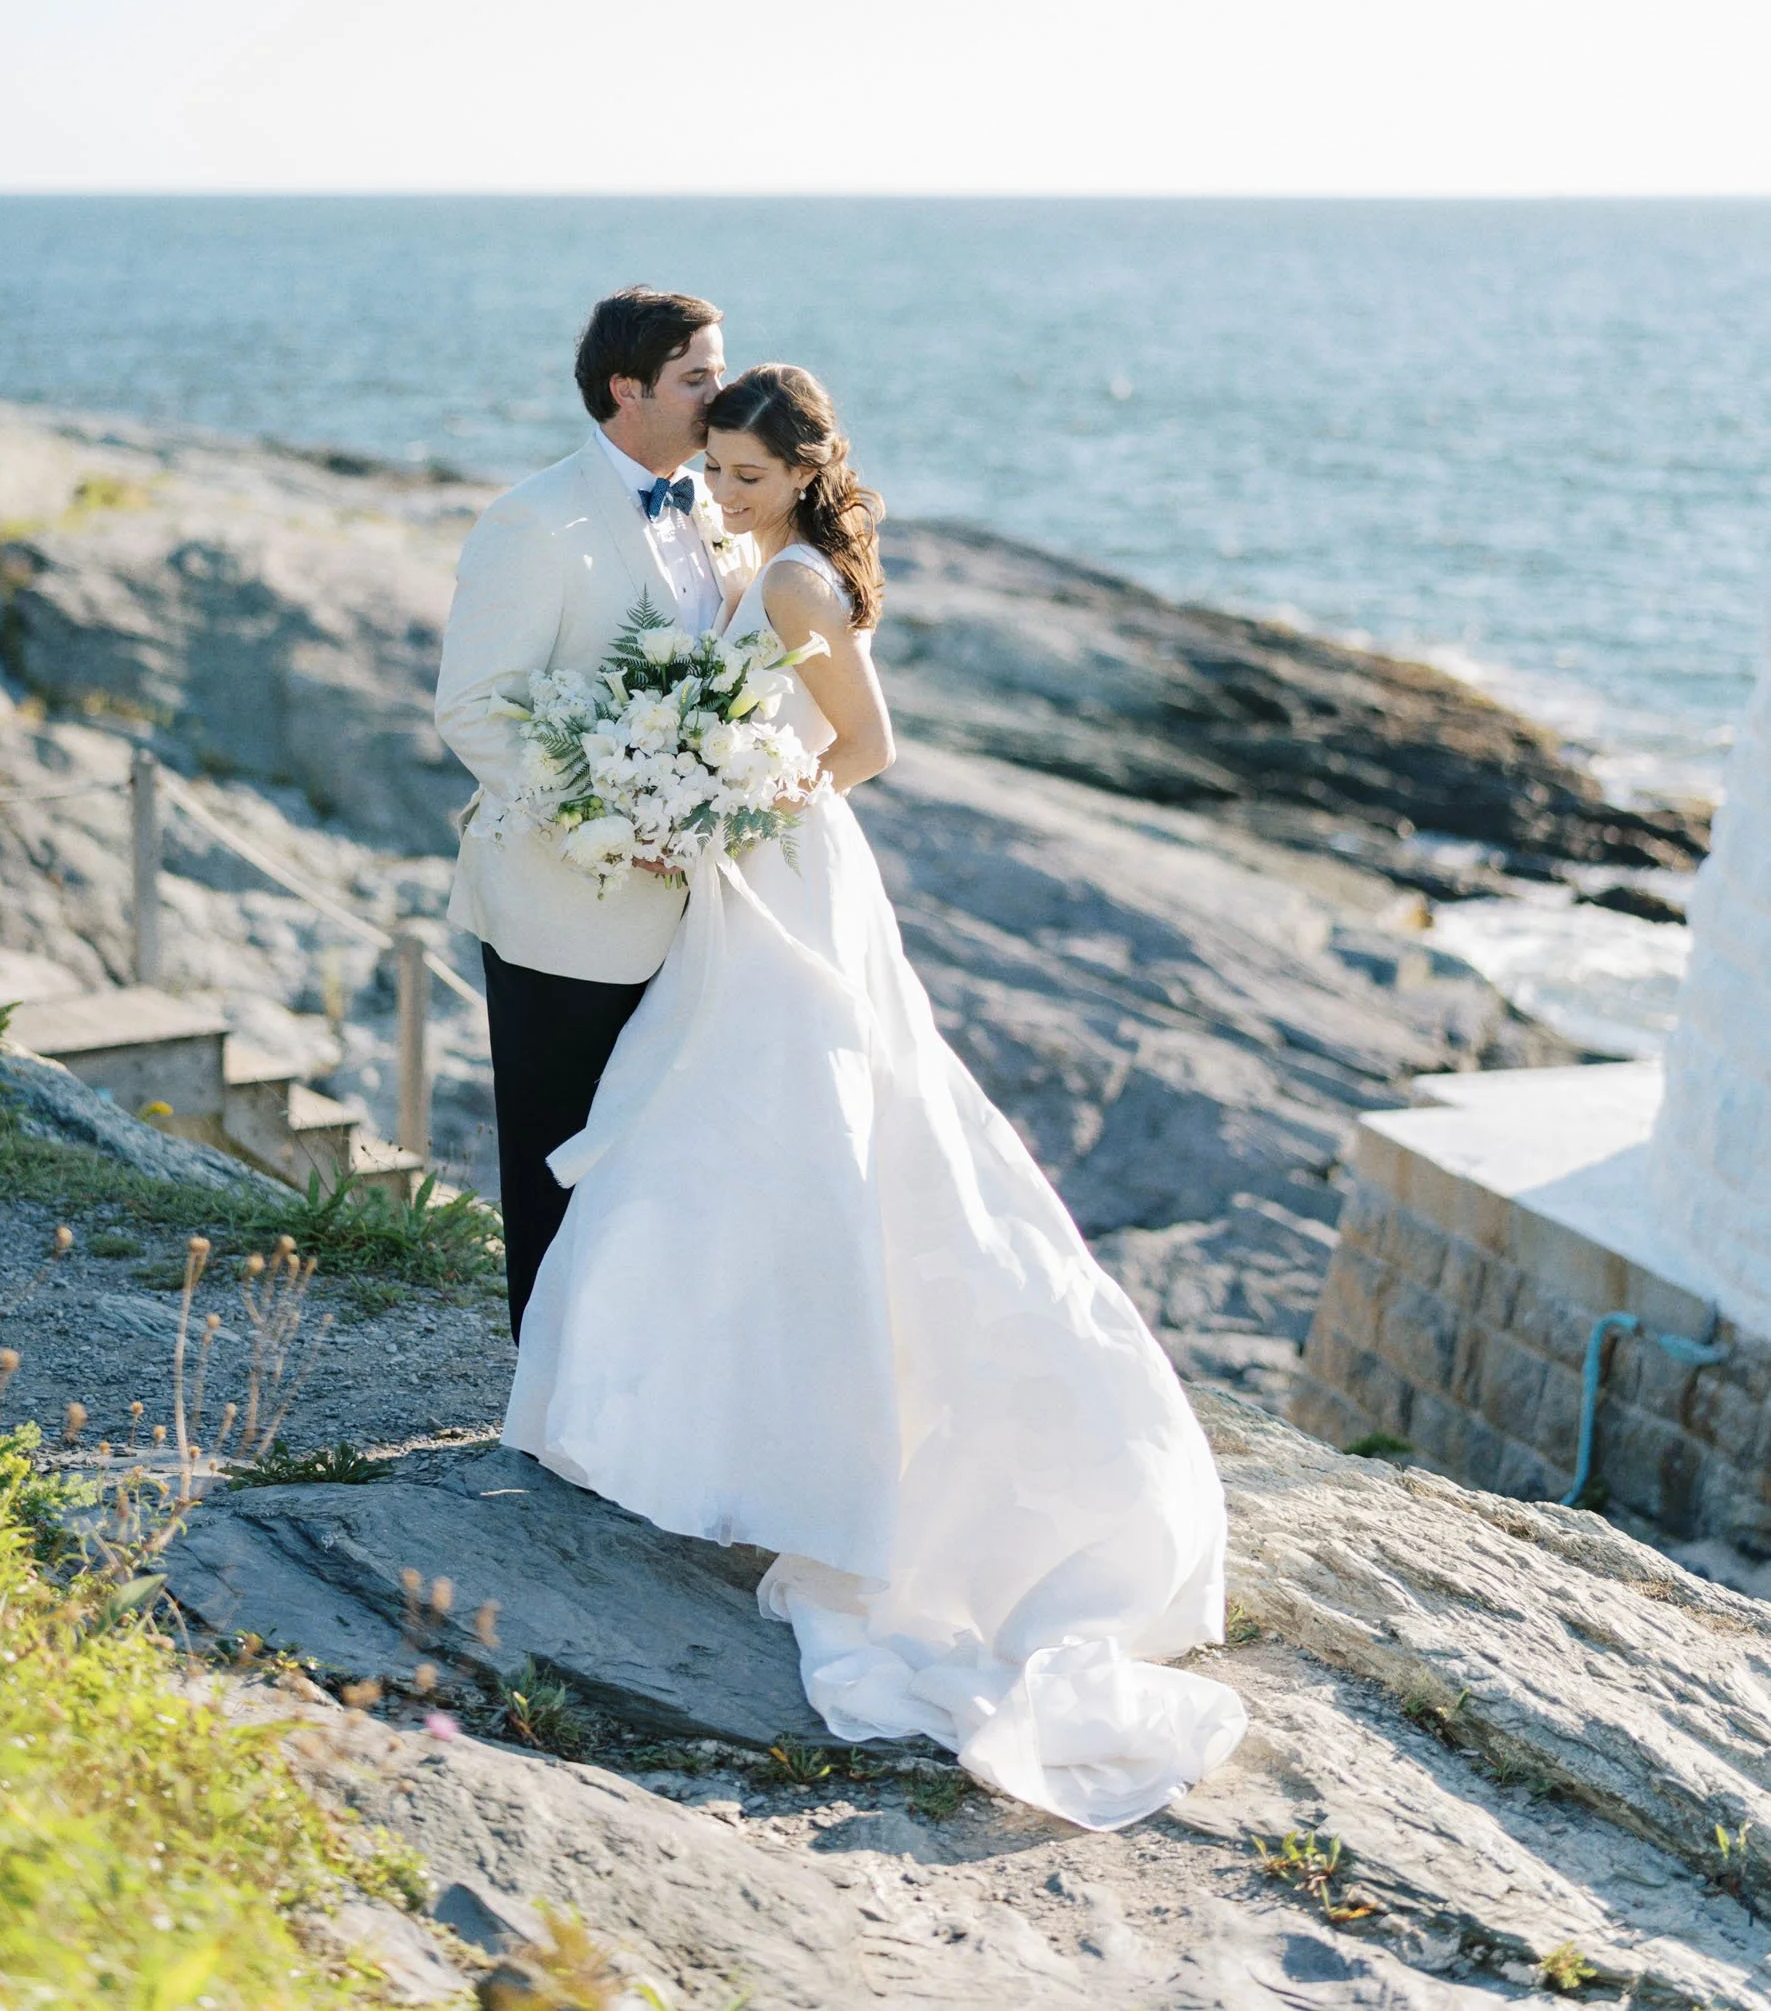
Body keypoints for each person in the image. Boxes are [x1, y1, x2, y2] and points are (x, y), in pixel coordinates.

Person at [501, 363, 1246, 1831]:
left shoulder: (788, 584)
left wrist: (730, 794)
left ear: (795, 473)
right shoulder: (758, 557)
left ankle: (763, 1446)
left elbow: (866, 748)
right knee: (710, 1119)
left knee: (786, 1125)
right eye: (709, 470)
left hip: (788, 870)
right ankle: (685, 1428)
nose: (719, 495)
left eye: (742, 475)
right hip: (745, 873)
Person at [434, 287, 757, 1339]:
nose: (723, 393)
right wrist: (610, 816)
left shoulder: (714, 507)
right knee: (557, 1159)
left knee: (665, 1155)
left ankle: (639, 1379)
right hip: (561, 904)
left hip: (696, 911)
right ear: (628, 389)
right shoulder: (533, 521)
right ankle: (547, 1394)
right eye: (696, 377)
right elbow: (475, 708)